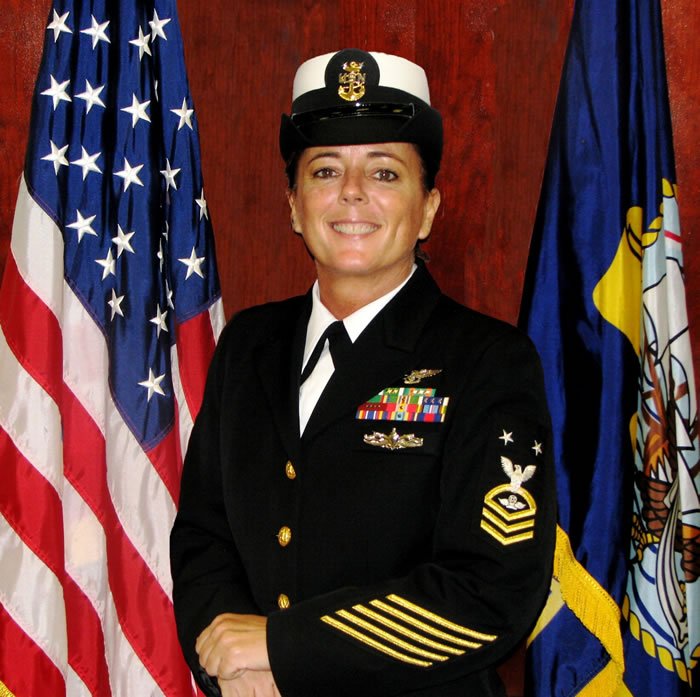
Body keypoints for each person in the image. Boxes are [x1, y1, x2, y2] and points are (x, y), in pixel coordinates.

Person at [170, 48, 556, 697]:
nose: (351, 192)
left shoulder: (488, 361)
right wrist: (231, 667)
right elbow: (203, 537)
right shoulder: (247, 346)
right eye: (325, 170)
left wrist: (283, 649)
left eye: (384, 172)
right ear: (295, 206)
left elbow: (493, 589)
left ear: (428, 208)